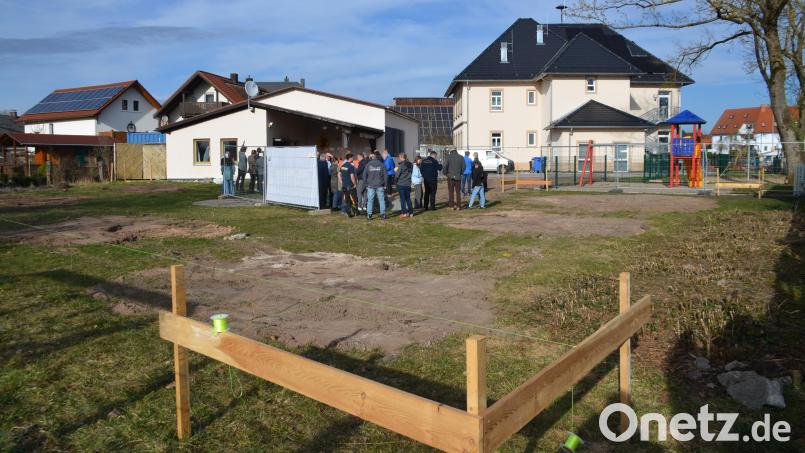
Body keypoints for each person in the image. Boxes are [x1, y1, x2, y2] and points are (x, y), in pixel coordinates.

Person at [363, 152, 387, 220]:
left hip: (370, 185)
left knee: (370, 201)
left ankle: (369, 215)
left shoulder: (368, 164)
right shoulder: (381, 164)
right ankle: (383, 214)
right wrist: (385, 184)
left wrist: (366, 184)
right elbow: (385, 175)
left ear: (372, 158)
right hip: (380, 185)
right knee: (381, 200)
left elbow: (364, 175)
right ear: (377, 157)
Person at [395, 153, 413, 218]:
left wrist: (395, 177)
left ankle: (404, 213)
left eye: (399, 157)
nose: (399, 158)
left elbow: (397, 175)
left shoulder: (401, 165)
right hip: (408, 183)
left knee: (402, 199)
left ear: (401, 157)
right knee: (408, 198)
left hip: (401, 183)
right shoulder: (410, 164)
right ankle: (411, 213)